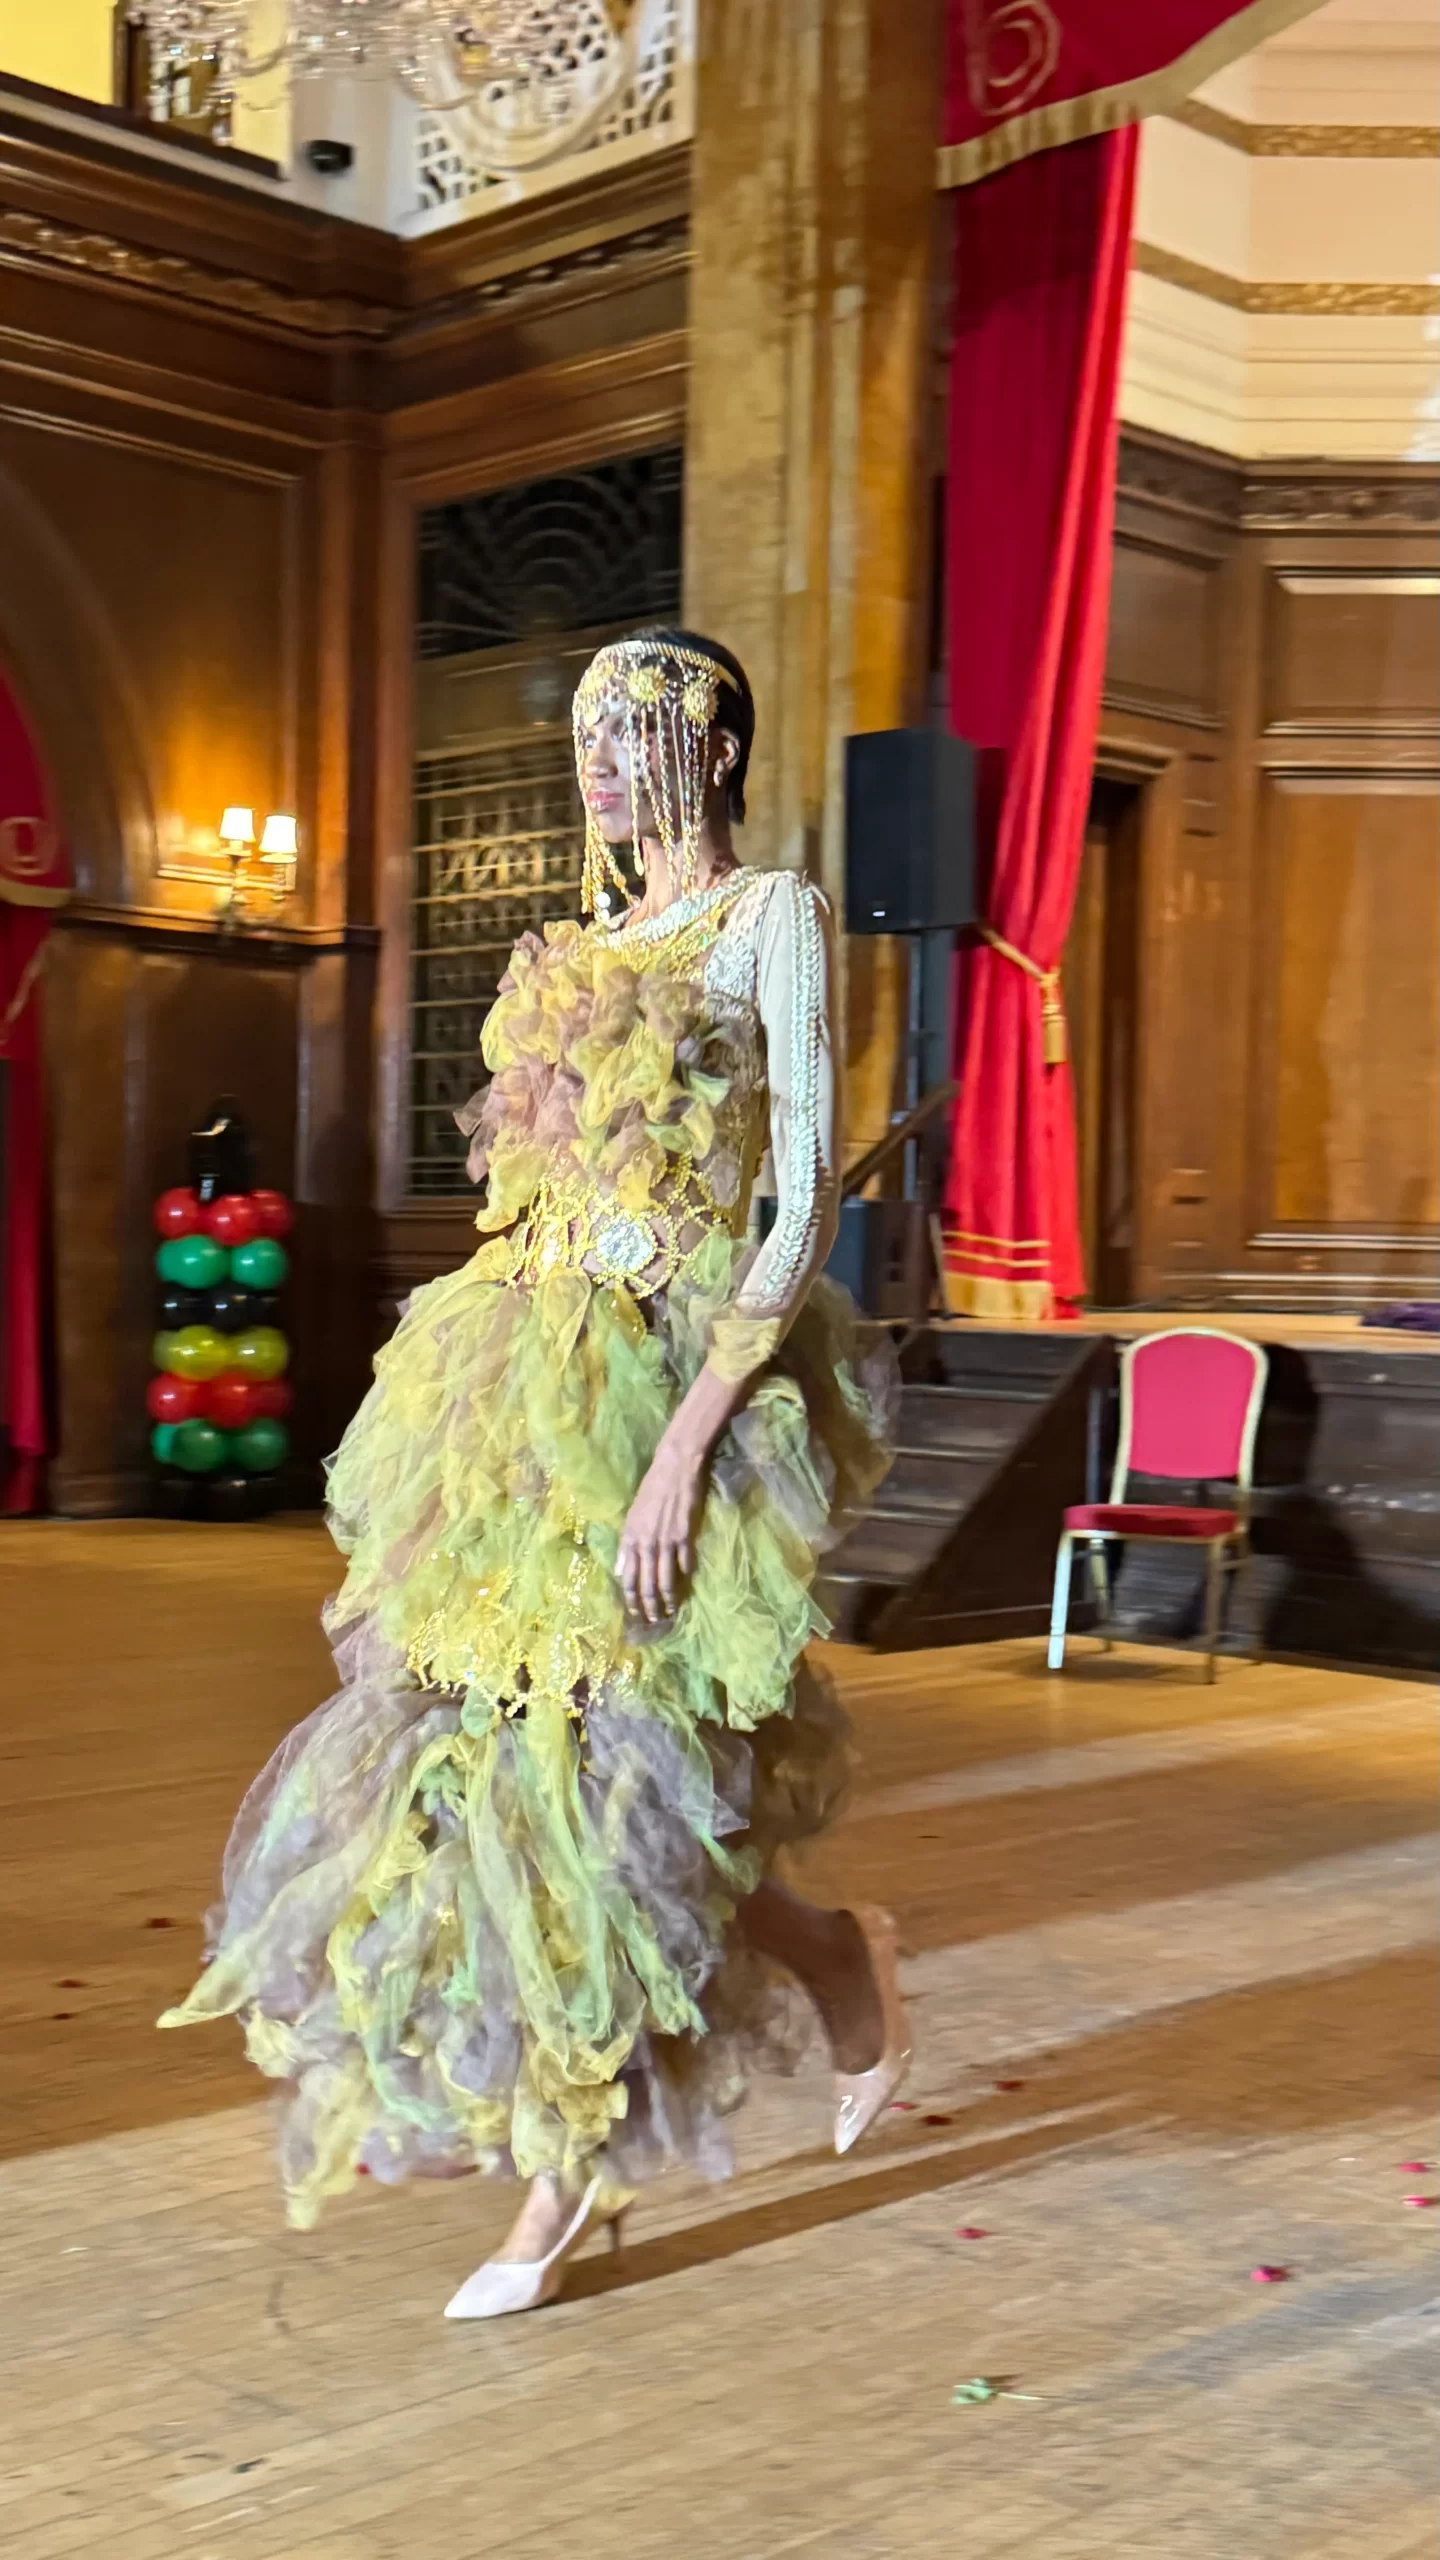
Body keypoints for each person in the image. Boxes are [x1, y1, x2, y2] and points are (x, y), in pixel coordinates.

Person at [160, 626, 911, 2317]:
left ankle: (573, 2176)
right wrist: (457, 1428)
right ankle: (833, 1961)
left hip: (677, 1387)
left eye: (634, 728)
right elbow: (536, 1195)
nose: (600, 762)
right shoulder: (582, 946)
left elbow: (800, 1201)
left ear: (713, 748)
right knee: (500, 1771)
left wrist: (683, 1452)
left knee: (623, 1781)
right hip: (518, 1386)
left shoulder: (770, 916)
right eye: (587, 733)